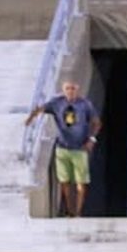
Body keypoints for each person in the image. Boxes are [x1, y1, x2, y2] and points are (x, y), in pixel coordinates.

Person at [27, 80, 101, 219]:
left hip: (79, 148)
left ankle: (78, 212)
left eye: (73, 88)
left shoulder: (85, 104)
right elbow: (41, 109)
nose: (70, 91)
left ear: (77, 89)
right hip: (63, 148)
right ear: (63, 89)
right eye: (67, 88)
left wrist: (91, 139)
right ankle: (70, 210)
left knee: (81, 182)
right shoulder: (57, 103)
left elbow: (96, 123)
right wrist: (30, 118)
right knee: (64, 182)